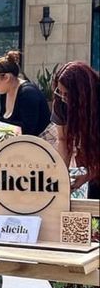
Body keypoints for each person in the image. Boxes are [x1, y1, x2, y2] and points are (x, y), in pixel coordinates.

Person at [50, 61, 99, 199]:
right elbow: (63, 140)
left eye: (68, 94)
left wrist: (89, 174)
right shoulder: (61, 103)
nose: (64, 98)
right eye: (60, 92)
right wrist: (60, 176)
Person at [0, 50, 51, 137]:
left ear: (6, 77)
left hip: (37, 145)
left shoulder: (28, 93)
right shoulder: (4, 93)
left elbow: (28, 130)